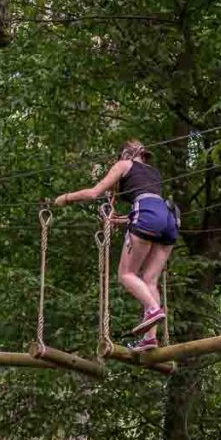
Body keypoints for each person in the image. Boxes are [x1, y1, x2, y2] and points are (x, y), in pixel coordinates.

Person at [55, 140, 179, 351]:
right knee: (150, 280)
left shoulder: (124, 164)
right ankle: (150, 339)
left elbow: (94, 193)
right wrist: (119, 220)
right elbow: (150, 208)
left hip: (148, 214)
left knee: (126, 274)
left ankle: (152, 309)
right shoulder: (153, 172)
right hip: (170, 219)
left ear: (126, 155)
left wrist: (66, 198)